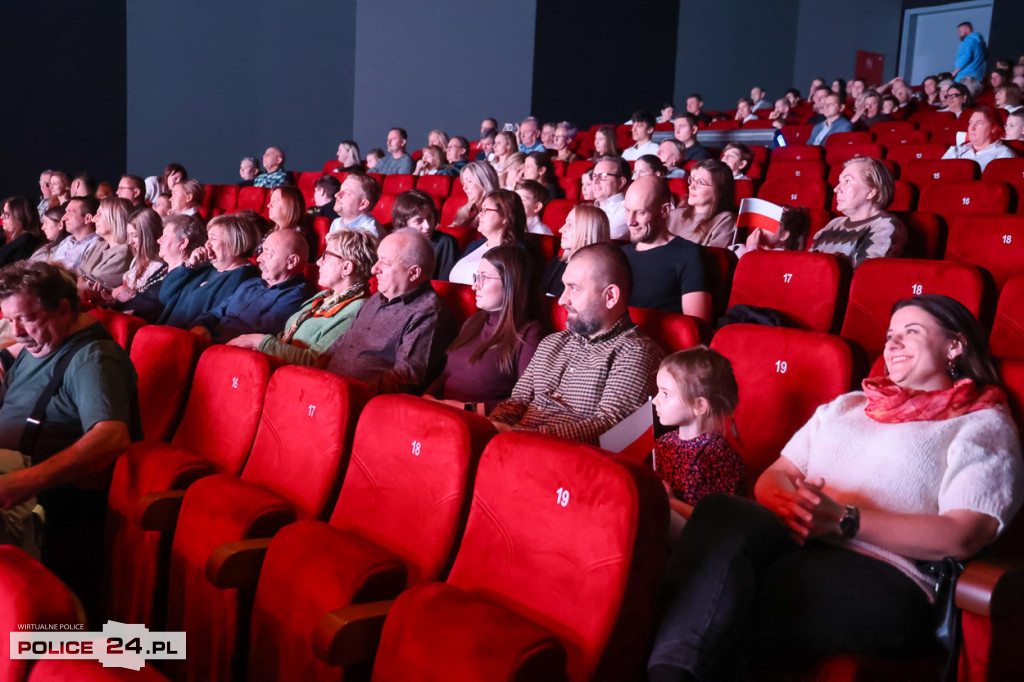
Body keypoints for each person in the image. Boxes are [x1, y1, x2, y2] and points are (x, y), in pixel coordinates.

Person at [648, 295, 1024, 682]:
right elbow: (774, 476)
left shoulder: (980, 423)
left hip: (890, 576)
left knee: (733, 584)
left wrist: (844, 520)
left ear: (954, 346)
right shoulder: (850, 405)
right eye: (890, 334)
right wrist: (794, 503)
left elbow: (963, 534)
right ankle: (670, 672)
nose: (892, 343)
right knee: (719, 511)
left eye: (911, 332)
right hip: (799, 541)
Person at [0, 261, 140, 603]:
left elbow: (112, 436)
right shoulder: (43, 339)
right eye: (8, 319)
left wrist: (28, 481)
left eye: (26, 319)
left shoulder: (93, 358)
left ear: (63, 309)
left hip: (40, 497)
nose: (16, 331)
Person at [489, 242, 664, 445]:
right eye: (565, 287)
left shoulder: (635, 352)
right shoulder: (552, 343)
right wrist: (495, 426)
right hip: (513, 449)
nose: (562, 299)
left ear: (610, 296)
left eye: (574, 288)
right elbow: (516, 402)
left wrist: (520, 436)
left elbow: (610, 428)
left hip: (570, 464)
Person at [323, 228, 457, 395]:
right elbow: (342, 343)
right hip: (328, 391)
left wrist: (348, 392)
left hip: (360, 403)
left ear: (414, 272)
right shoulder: (376, 298)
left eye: (384, 263)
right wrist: (314, 375)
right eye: (377, 260)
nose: (374, 270)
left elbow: (405, 378)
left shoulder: (428, 313)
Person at [425, 245, 544, 414]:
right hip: (442, 412)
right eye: (476, 277)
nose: (475, 286)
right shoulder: (475, 321)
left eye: (484, 278)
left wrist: (469, 408)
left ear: (510, 281)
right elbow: (447, 374)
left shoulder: (529, 334)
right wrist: (428, 396)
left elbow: (526, 401)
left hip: (478, 421)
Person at [228, 229, 376, 365]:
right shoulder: (323, 296)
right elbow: (284, 338)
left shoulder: (358, 310)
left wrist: (259, 341)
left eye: (325, 256)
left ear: (346, 267)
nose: (318, 262)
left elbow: (315, 360)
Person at [653, 347, 745, 538]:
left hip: (697, 543)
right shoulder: (665, 441)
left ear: (699, 405)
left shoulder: (718, 457)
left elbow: (717, 524)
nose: (655, 400)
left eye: (665, 394)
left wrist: (670, 502)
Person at [190, 230, 314, 343]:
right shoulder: (252, 283)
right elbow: (217, 312)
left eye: (268, 253)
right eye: (262, 251)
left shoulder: (298, 297)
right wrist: (200, 326)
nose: (259, 258)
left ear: (291, 262)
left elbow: (256, 336)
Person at [623, 176, 710, 321]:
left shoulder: (688, 254)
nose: (630, 221)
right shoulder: (619, 255)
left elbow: (698, 326)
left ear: (664, 210)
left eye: (640, 212)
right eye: (627, 210)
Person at [156, 214, 260, 328]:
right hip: (165, 332)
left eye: (213, 238)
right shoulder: (206, 266)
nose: (207, 244)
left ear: (234, 243)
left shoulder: (241, 278)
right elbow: (165, 296)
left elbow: (214, 319)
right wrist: (188, 266)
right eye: (208, 238)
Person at [810, 157, 906, 268]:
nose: (836, 189)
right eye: (839, 182)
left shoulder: (885, 227)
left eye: (847, 181)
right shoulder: (834, 224)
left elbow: (864, 275)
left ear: (870, 192)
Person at [449, 189, 528, 285]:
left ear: (505, 217)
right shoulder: (474, 245)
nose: (479, 215)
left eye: (485, 210)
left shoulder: (515, 252)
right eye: (481, 210)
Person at [539, 204, 610, 297]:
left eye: (569, 224)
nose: (561, 230)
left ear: (587, 232)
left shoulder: (597, 274)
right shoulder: (556, 263)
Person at [668, 159, 737, 248]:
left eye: (701, 182)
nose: (691, 186)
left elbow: (711, 259)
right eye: (692, 180)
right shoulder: (674, 215)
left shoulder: (726, 220)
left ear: (719, 191)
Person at [107, 208, 166, 308]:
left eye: (134, 235)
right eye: (129, 235)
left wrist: (130, 295)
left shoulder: (159, 267)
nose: (130, 242)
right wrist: (112, 295)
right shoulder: (137, 259)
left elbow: (148, 303)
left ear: (148, 235)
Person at [392, 189, 457, 281]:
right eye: (419, 221)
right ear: (404, 223)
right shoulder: (394, 244)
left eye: (430, 217)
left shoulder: (445, 243)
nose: (427, 226)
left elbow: (444, 284)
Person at [78, 198, 133, 294]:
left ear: (115, 218)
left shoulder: (125, 252)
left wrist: (83, 281)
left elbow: (98, 283)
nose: (94, 219)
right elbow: (78, 274)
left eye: (99, 213)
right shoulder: (98, 245)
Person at [941, 107, 1017, 171]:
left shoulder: (1004, 154)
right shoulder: (956, 150)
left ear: (994, 128)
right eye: (970, 123)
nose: (972, 128)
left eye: (979, 123)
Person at [729, 206, 810, 258]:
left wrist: (750, 251)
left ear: (784, 235)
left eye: (769, 224)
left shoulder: (782, 258)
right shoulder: (753, 248)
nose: (760, 227)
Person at [52, 196, 103, 272]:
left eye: (70, 212)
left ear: (87, 218)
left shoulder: (96, 245)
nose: (64, 218)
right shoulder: (67, 241)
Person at [267, 186, 318, 259]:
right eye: (270, 201)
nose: (269, 205)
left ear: (290, 205)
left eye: (275, 201)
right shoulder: (271, 231)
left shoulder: (298, 237)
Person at [592, 155, 631, 240]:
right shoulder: (591, 208)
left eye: (602, 176)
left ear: (621, 182)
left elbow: (602, 241)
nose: (595, 181)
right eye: (594, 175)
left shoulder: (626, 210)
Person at [453, 161, 500, 230]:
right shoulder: (467, 210)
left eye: (469, 181)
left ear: (484, 182)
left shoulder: (497, 211)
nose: (464, 187)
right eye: (464, 183)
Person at [0, 197, 45, 267]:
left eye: (6, 214)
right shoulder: (25, 240)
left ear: (20, 217)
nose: (1, 217)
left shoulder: (25, 241)